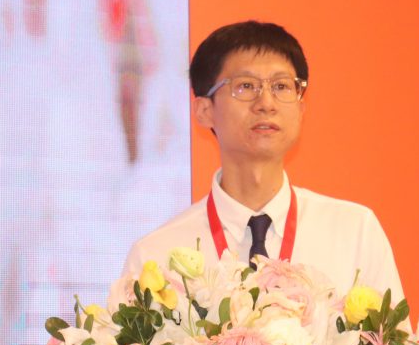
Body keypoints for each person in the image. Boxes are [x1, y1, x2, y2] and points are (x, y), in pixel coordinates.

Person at [122, 20, 404, 298]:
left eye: (281, 86)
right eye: (246, 86)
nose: (266, 103)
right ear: (204, 110)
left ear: (301, 108)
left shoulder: (355, 233)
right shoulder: (155, 257)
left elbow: (390, 332)